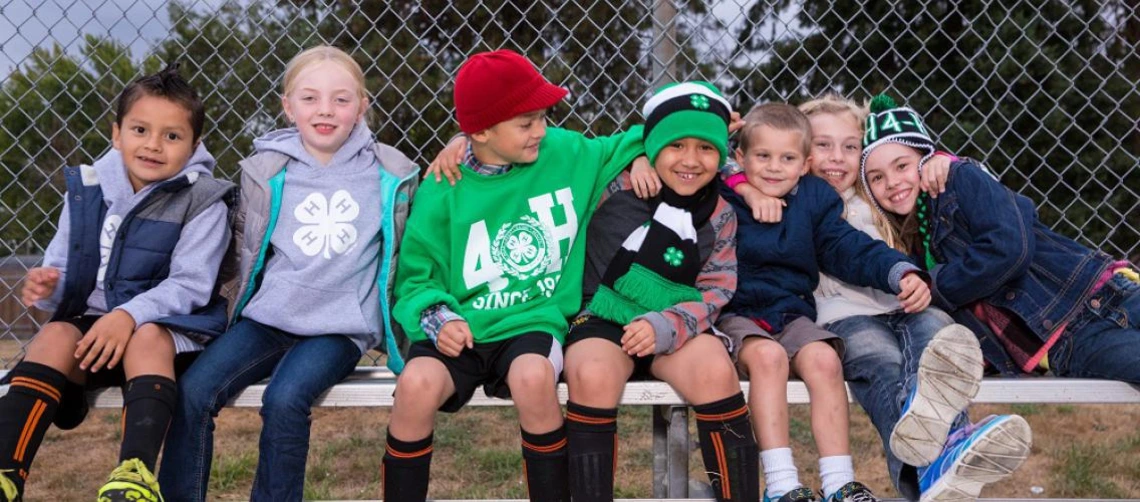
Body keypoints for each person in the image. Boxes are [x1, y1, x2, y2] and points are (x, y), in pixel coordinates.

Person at [381, 49, 646, 502]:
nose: (541, 130)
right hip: (460, 326)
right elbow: (415, 279)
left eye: (543, 116)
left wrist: (645, 153)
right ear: (480, 131)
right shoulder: (443, 187)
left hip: (531, 322)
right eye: (526, 123)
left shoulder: (563, 151)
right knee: (415, 385)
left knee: (532, 377)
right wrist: (438, 319)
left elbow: (641, 137)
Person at [158, 45, 419, 502]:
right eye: (310, 98)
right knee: (194, 392)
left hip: (338, 328)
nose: (325, 110)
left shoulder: (389, 174)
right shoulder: (265, 171)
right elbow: (243, 247)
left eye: (341, 99)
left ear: (362, 106)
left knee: (285, 399)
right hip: (270, 318)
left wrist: (459, 144)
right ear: (288, 106)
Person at [0, 63, 235, 502]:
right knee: (52, 334)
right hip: (94, 333)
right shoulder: (88, 188)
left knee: (146, 336)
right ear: (116, 133)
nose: (153, 145)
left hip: (164, 334)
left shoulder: (204, 200)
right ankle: (6, 472)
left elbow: (190, 286)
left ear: (194, 145)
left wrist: (127, 315)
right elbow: (64, 269)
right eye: (140, 129)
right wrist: (48, 284)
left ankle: (135, 476)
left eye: (172, 136)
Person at [719, 102, 932, 502]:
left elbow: (848, 246)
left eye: (787, 158)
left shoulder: (816, 198)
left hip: (791, 311)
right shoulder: (725, 195)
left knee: (825, 359)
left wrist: (898, 270)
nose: (773, 167)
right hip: (737, 311)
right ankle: (782, 484)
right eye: (762, 157)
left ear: (805, 164)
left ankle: (839, 482)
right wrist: (737, 181)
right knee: (769, 359)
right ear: (740, 158)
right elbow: (693, 167)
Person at [563, 81, 759, 501]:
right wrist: (636, 154)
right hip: (601, 316)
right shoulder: (613, 183)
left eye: (706, 148)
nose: (690, 160)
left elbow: (716, 290)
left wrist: (667, 324)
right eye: (676, 146)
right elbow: (552, 148)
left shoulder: (720, 212)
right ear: (653, 146)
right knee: (592, 374)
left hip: (675, 323)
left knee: (713, 369)